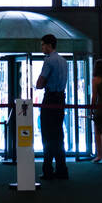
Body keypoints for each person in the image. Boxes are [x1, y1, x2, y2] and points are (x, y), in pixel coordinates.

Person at [36, 33, 69, 180]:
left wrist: (39, 83)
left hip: (50, 99)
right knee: (58, 134)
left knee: (48, 135)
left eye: (43, 44)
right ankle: (62, 169)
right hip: (61, 98)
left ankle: (48, 170)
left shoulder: (48, 61)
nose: (42, 47)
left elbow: (39, 84)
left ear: (49, 45)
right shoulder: (63, 61)